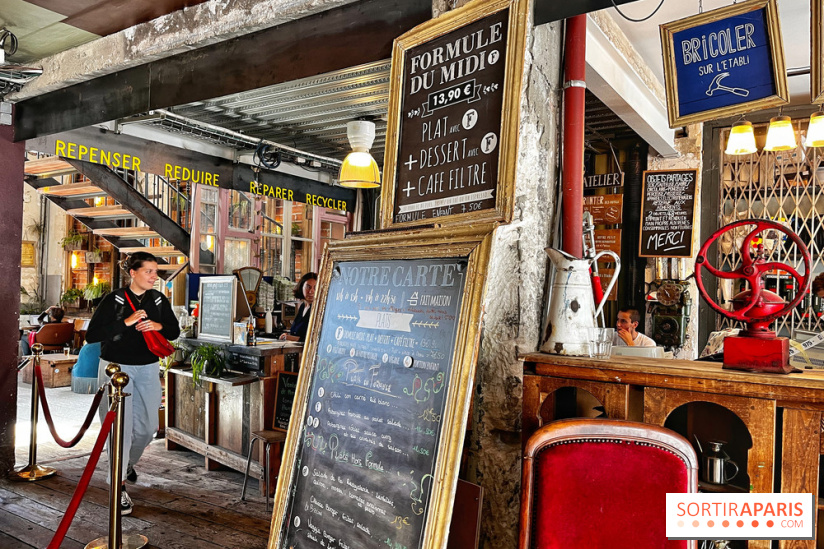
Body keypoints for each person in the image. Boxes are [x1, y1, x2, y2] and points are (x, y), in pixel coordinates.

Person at [86, 252, 180, 516]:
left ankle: (126, 465)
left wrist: (157, 325)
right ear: (133, 273)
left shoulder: (159, 300)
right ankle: (119, 487)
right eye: (149, 271)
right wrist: (126, 323)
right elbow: (92, 335)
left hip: (148, 368)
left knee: (149, 427)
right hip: (115, 368)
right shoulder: (113, 300)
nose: (154, 276)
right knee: (120, 430)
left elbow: (174, 331)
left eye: (155, 271)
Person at [279, 272, 317, 343]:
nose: (311, 291)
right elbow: (297, 331)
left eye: (315, 288)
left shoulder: (318, 309)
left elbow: (314, 340)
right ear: (301, 287)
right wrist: (287, 335)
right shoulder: (303, 306)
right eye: (308, 287)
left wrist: (291, 338)